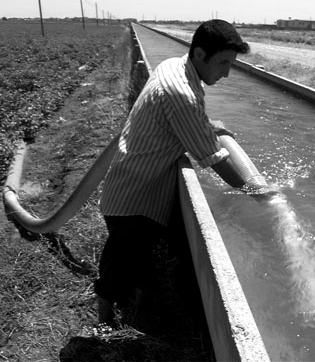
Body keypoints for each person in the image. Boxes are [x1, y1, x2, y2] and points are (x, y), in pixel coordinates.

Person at [94, 19, 268, 324]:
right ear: (200, 54)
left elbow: (185, 119)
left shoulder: (175, 66)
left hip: (141, 181)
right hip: (135, 197)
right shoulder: (182, 94)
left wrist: (209, 126)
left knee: (139, 262)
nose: (227, 73)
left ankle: (140, 304)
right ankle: (103, 322)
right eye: (224, 63)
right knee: (120, 265)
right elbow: (214, 159)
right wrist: (258, 192)